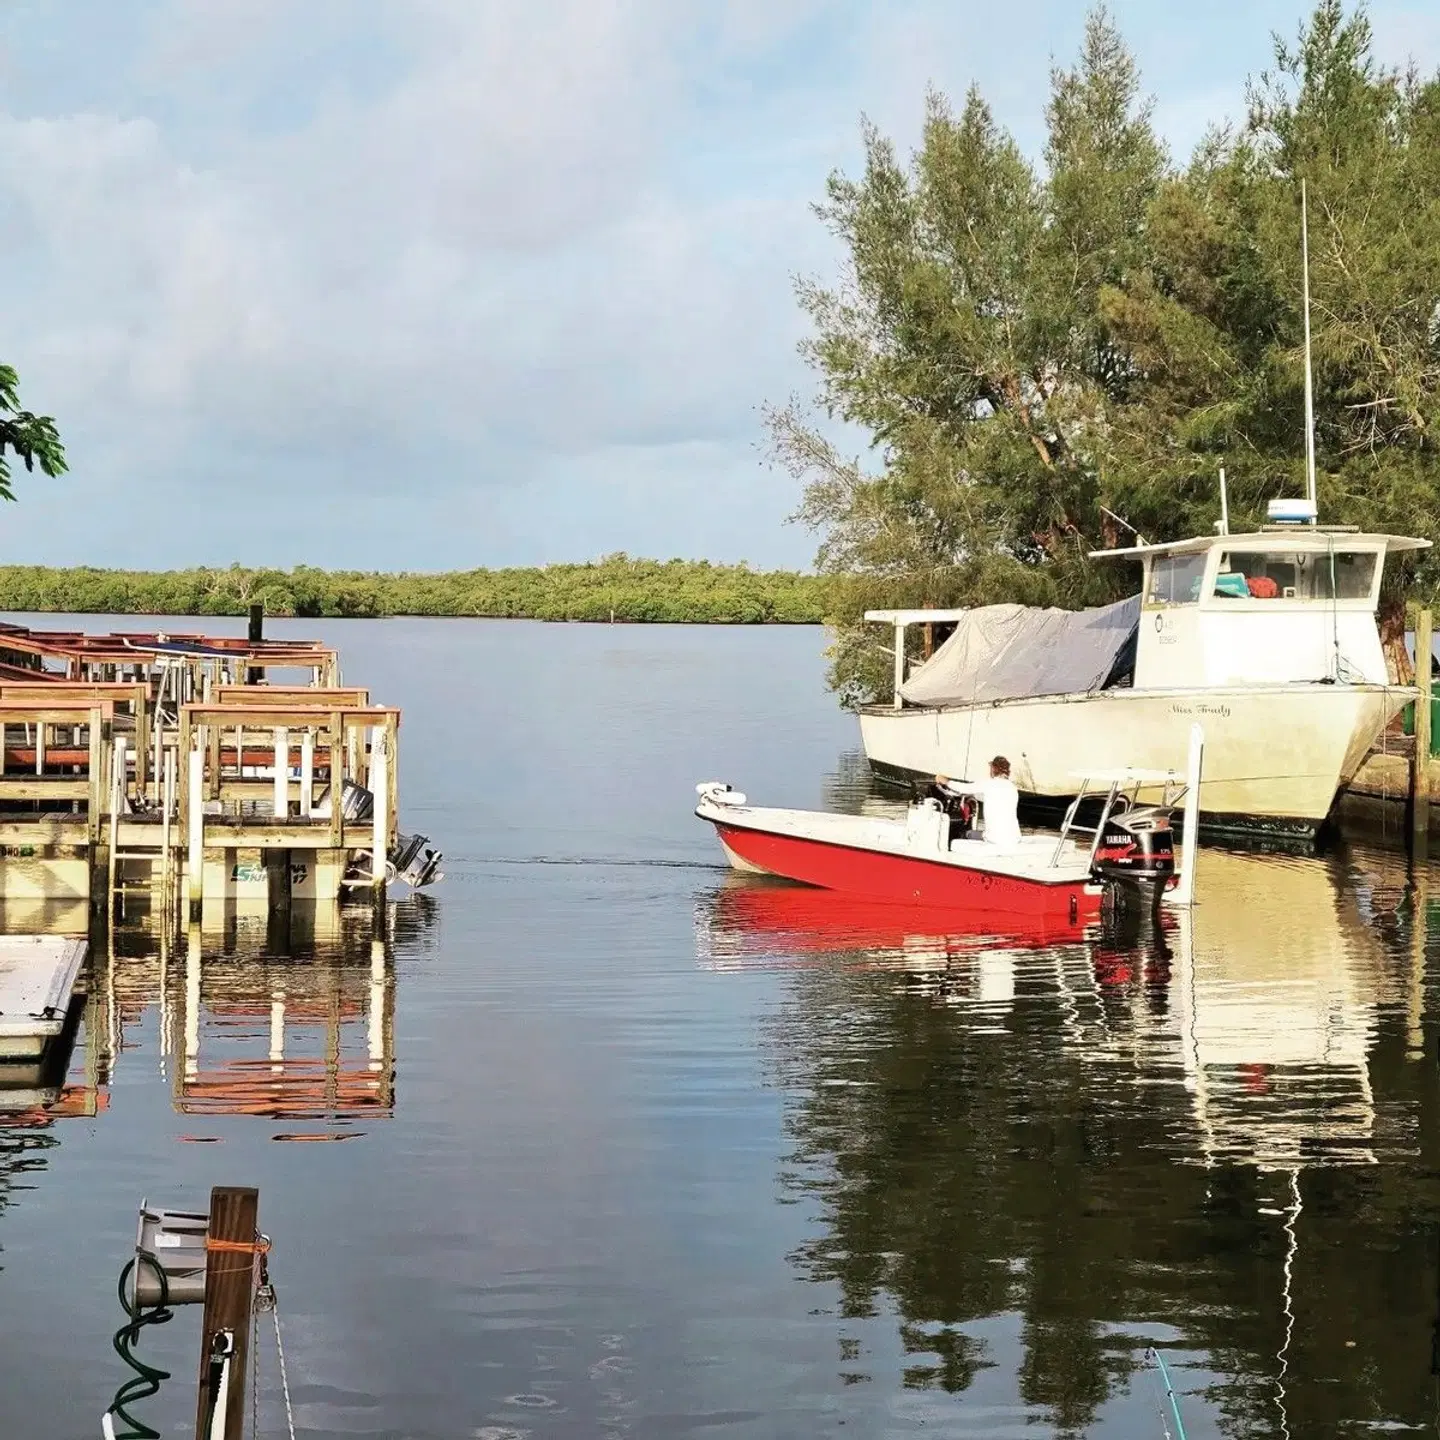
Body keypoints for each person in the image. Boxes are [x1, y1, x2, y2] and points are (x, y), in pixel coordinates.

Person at [933, 756, 1021, 849]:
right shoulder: (1013, 788)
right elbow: (993, 799)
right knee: (984, 833)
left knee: (967, 833)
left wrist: (946, 781)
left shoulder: (988, 784)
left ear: (993, 768)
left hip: (995, 839)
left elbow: (964, 788)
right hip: (1014, 838)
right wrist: (971, 795)